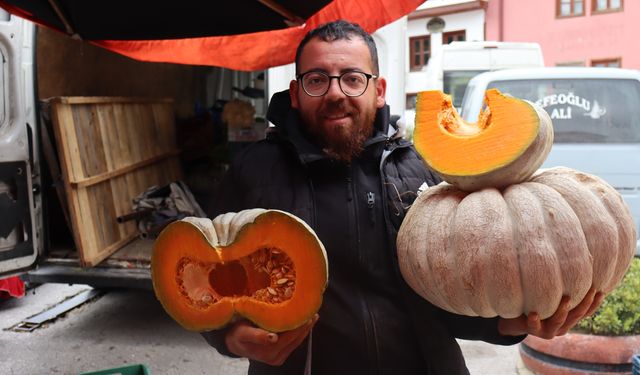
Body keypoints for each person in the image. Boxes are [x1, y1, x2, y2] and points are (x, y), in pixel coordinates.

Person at [202, 20, 603, 374]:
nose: (335, 93)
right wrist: (230, 336)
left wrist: (506, 325)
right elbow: (205, 278)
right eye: (317, 79)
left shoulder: (425, 170)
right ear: (295, 92)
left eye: (353, 78)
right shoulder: (253, 170)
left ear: (378, 90)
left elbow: (458, 293)